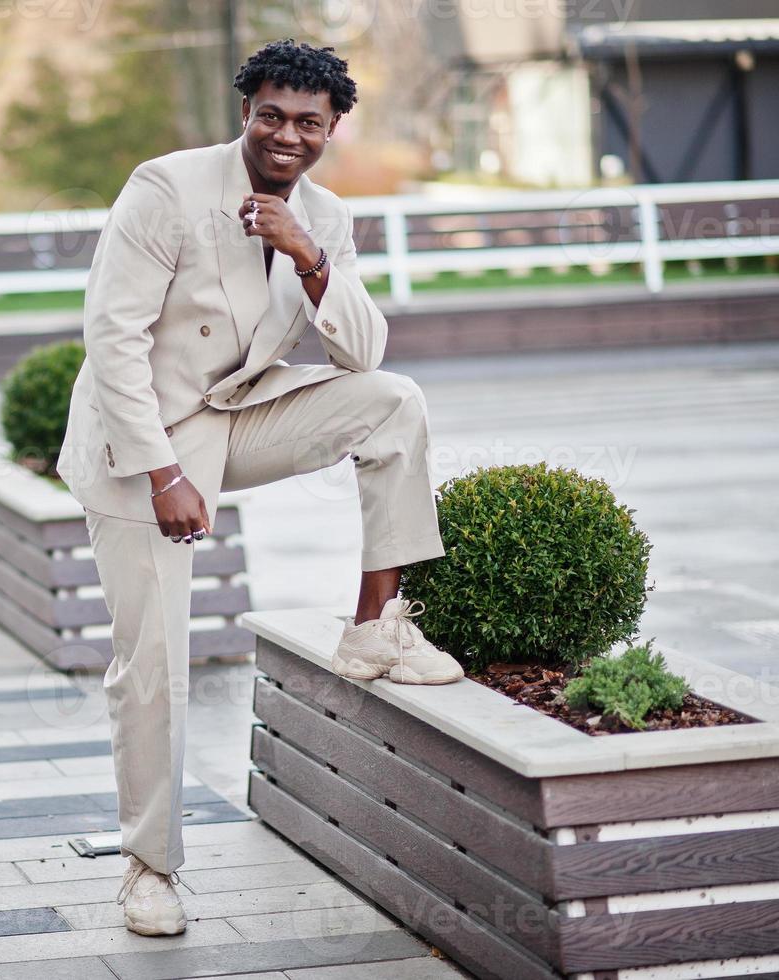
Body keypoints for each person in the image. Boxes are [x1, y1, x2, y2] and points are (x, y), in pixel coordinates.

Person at [54, 39, 465, 939]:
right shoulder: (166, 188)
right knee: (155, 661)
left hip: (234, 413)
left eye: (307, 123)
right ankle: (147, 866)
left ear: (331, 130)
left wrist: (309, 256)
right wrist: (161, 469)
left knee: (392, 404)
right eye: (271, 115)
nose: (287, 136)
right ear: (245, 110)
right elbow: (111, 337)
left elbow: (364, 353)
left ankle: (373, 630)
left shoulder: (323, 214)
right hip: (145, 437)